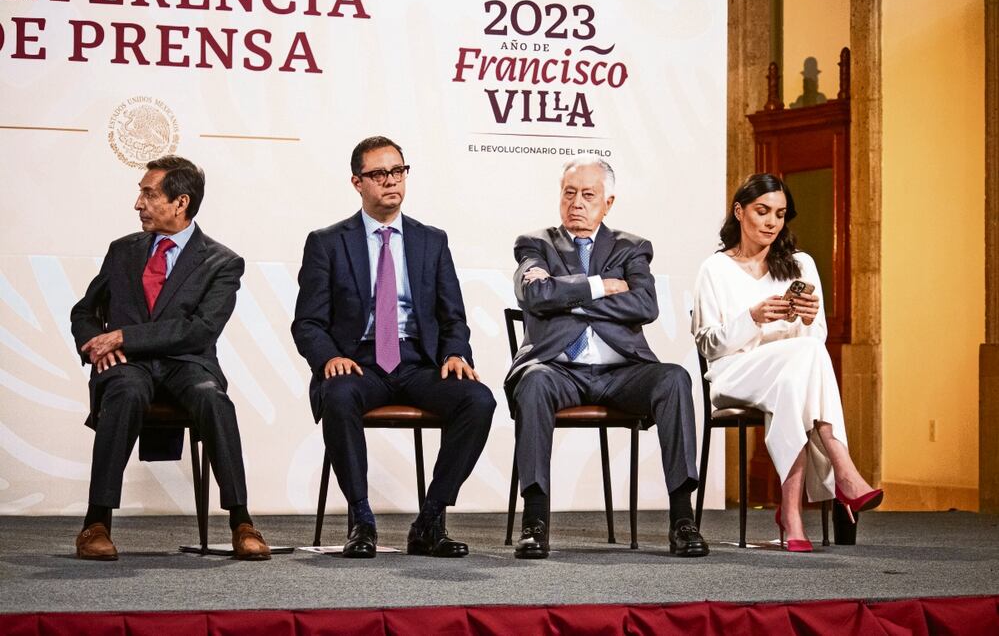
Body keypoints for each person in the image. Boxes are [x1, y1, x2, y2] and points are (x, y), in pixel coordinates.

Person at [291, 135, 495, 559]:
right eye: (379, 174)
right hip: (359, 362)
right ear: (357, 182)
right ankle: (361, 520)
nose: (391, 181)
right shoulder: (327, 242)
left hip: (419, 363)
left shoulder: (431, 240)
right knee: (339, 393)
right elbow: (307, 322)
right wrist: (329, 357)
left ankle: (431, 519)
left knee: (478, 400)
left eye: (398, 171)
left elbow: (452, 315)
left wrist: (456, 353)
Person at [505, 155, 707, 559]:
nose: (576, 203)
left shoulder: (631, 247)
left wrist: (570, 302)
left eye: (587, 195)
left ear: (608, 202)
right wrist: (600, 286)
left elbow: (645, 305)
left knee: (674, 379)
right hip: (558, 370)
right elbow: (534, 295)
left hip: (623, 373)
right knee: (533, 382)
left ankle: (683, 520)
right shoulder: (536, 244)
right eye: (569, 194)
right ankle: (536, 520)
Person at [70, 156, 270, 561]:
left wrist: (124, 334)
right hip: (129, 365)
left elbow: (200, 330)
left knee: (213, 399)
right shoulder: (123, 250)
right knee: (124, 392)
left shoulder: (222, 261)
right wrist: (95, 344)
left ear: (181, 202)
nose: (137, 203)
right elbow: (84, 312)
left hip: (187, 362)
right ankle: (95, 524)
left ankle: (242, 522)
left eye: (148, 193)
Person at [691, 173, 883, 552]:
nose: (770, 222)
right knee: (803, 367)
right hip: (735, 373)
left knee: (799, 373)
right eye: (762, 212)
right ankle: (841, 466)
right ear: (739, 212)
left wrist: (810, 319)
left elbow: (816, 342)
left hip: (789, 377)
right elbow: (709, 345)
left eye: (779, 214)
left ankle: (791, 514)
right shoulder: (714, 268)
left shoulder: (801, 264)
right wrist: (754, 318)